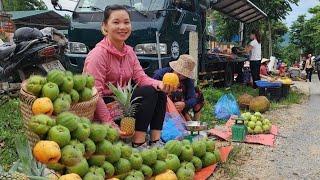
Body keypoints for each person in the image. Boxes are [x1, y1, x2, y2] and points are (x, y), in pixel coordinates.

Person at [83, 5, 176, 148]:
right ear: (105, 27)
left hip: (124, 107)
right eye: (116, 22)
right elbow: (94, 94)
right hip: (103, 110)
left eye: (126, 22)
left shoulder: (129, 52)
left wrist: (160, 84)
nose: (122, 27)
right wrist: (109, 124)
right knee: (148, 92)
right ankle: (138, 143)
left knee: (158, 91)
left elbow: (142, 78)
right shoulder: (98, 55)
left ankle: (155, 141)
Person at [153, 55, 204, 121]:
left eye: (184, 75)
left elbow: (193, 98)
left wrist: (185, 104)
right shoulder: (160, 75)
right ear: (175, 68)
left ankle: (195, 121)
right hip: (162, 104)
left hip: (179, 106)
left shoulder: (188, 80)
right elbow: (151, 91)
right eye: (179, 73)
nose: (181, 76)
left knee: (198, 92)